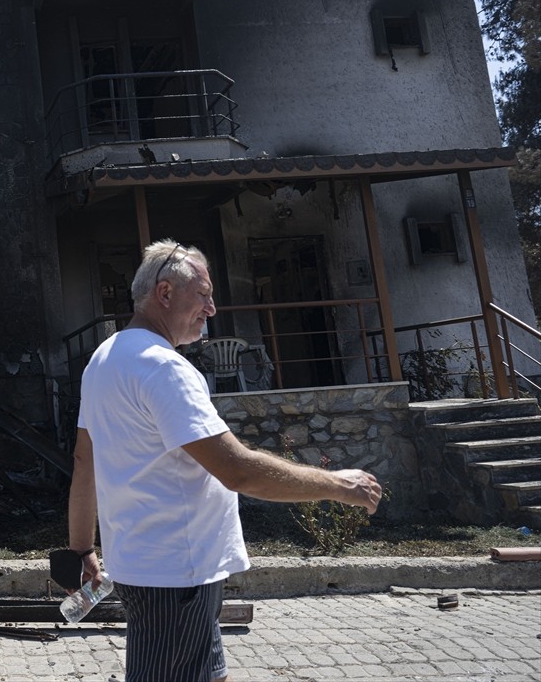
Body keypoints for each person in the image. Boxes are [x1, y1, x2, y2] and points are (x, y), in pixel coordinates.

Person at [67, 239, 382, 682]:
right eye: (203, 294)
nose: (212, 309)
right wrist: (337, 485)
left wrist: (81, 548)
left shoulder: (104, 358)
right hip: (177, 574)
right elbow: (237, 469)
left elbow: (85, 460)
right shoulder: (164, 369)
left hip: (149, 566)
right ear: (165, 293)